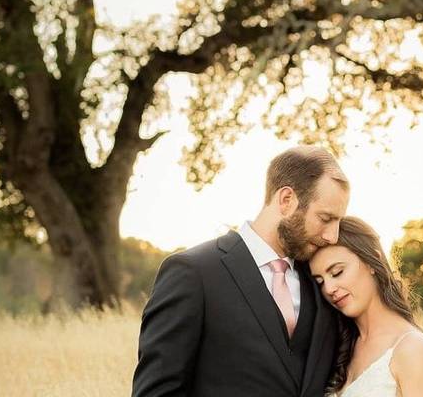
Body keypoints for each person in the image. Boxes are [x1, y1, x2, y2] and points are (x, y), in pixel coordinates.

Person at [131, 146, 351, 397]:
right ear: (286, 200)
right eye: (325, 218)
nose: (332, 236)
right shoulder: (193, 273)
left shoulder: (321, 282)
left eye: (338, 222)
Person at [309, 217, 423, 397]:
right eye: (320, 282)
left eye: (337, 272)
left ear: (372, 261)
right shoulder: (338, 347)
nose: (329, 288)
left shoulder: (412, 349)